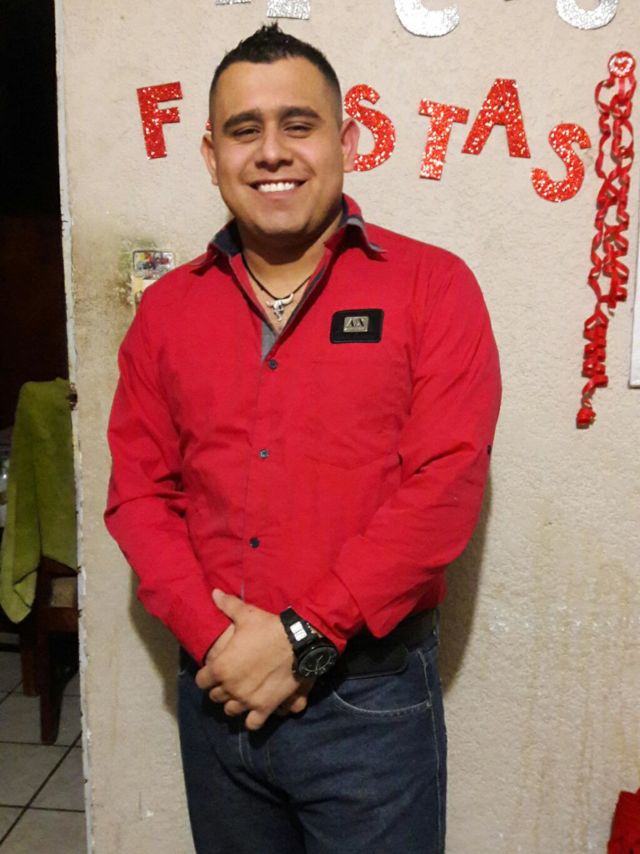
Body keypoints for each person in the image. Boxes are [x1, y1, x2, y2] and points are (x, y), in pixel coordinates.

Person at [105, 23, 501, 854]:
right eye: (244, 130)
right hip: (217, 693)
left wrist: (303, 641)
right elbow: (138, 495)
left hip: (368, 703)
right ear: (211, 155)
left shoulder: (434, 287)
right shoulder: (167, 312)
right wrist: (219, 644)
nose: (272, 152)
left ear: (346, 143)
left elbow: (445, 487)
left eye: (298, 124)